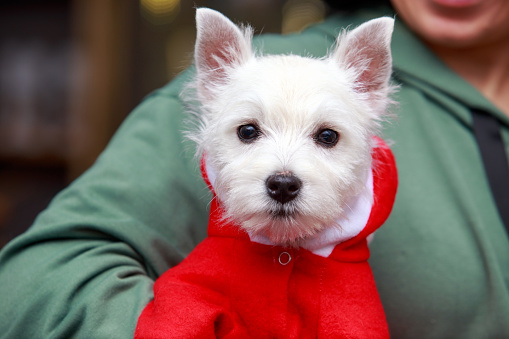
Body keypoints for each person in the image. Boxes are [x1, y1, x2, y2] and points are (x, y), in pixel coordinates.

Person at [0, 0, 508, 337]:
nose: (283, 170)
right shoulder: (262, 70)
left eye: (325, 137)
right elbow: (32, 281)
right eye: (249, 133)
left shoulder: (349, 76)